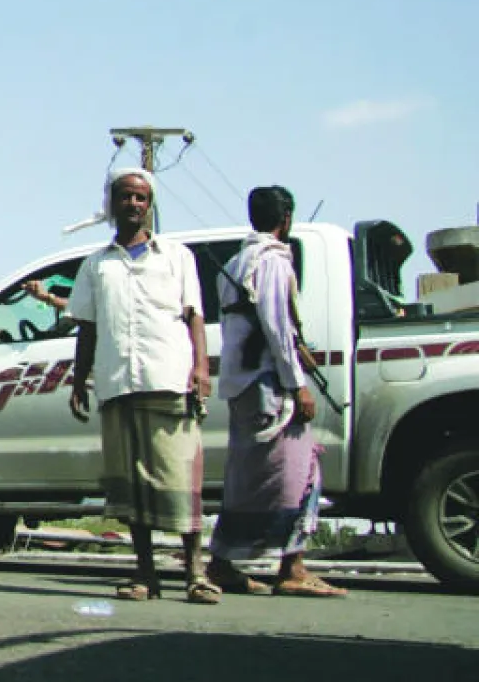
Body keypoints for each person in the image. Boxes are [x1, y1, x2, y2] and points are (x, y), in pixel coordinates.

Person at [66, 168, 218, 604]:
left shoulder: (176, 256)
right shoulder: (96, 265)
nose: (133, 205)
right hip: (117, 384)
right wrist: (79, 380)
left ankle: (195, 573)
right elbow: (88, 329)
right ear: (111, 204)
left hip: (167, 379)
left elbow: (194, 317)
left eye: (141, 198)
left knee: (179, 480)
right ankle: (145, 574)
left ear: (150, 206)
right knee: (129, 486)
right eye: (125, 197)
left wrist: (201, 368)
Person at [207, 186, 348, 598]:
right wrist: (297, 383)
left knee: (248, 479)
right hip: (268, 386)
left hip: (244, 385)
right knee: (299, 473)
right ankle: (292, 568)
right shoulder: (271, 261)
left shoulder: (235, 263)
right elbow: (275, 327)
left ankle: (222, 563)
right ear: (285, 219)